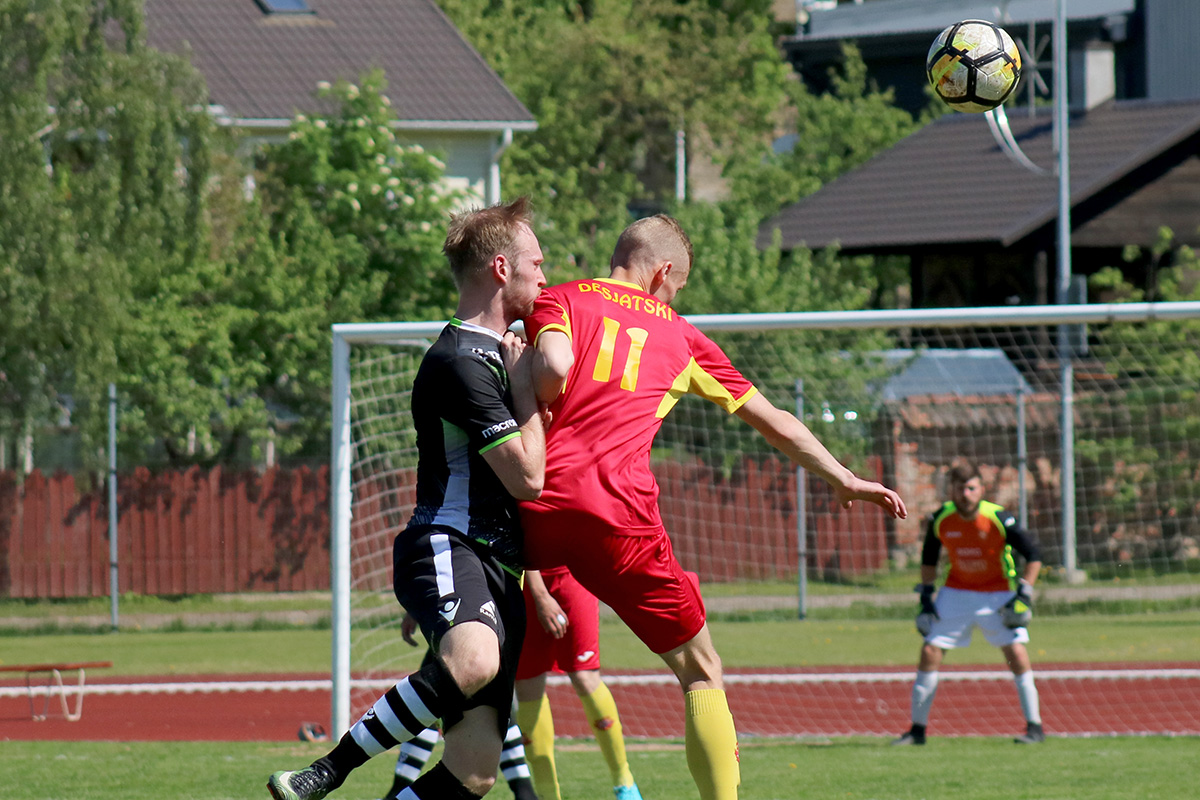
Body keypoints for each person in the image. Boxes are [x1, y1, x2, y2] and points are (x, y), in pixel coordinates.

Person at [520, 214, 908, 800]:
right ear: (663, 273)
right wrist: (843, 477)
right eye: (677, 288)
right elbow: (775, 422)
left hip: (531, 501)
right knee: (701, 670)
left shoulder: (559, 298)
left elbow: (536, 370)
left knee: (482, 663)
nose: (673, 298)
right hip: (618, 515)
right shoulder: (681, 336)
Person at [267, 197, 548, 800]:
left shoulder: (500, 354)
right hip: (452, 542)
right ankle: (327, 771)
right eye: (537, 263)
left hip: (499, 570)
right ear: (501, 269)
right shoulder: (462, 361)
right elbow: (528, 479)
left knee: (475, 770)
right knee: (475, 661)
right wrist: (526, 393)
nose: (544, 277)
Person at [891, 462, 1045, 747]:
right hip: (956, 592)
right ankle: (917, 731)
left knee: (1016, 652)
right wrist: (926, 598)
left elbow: (1034, 555)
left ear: (981, 490)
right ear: (952, 491)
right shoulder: (941, 518)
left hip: (997, 593)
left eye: (971, 488)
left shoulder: (998, 517)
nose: (966, 494)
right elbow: (928, 560)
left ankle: (1035, 727)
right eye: (960, 488)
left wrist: (1023, 595)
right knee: (930, 651)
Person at [514, 568, 643, 800]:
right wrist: (540, 594)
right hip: (523, 581)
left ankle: (625, 784)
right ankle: (547, 795)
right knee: (527, 686)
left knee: (585, 677)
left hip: (571, 575)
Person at [379, 615, 539, 800]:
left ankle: (398, 788)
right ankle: (524, 791)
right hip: (488, 618)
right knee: (493, 702)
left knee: (431, 693)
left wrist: (543, 601)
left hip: (476, 617)